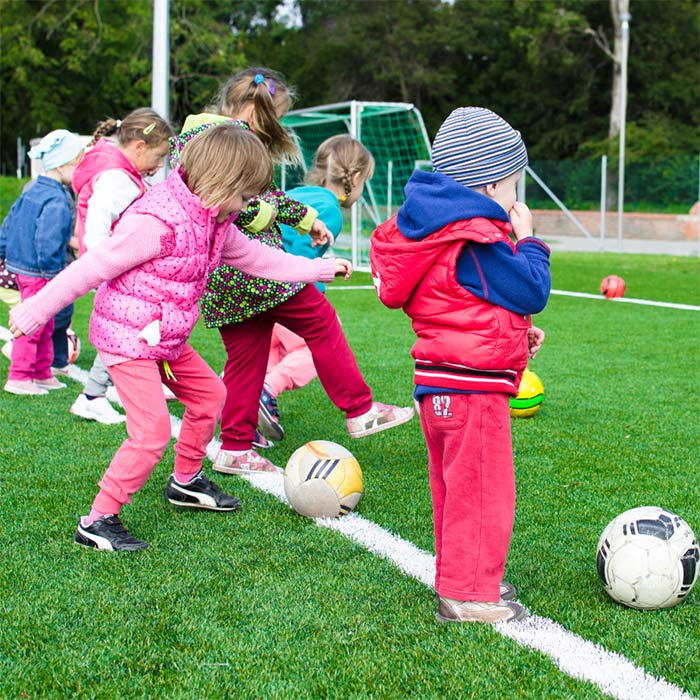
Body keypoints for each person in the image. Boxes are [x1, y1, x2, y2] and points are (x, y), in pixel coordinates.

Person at [8, 123, 352, 551]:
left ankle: (186, 481)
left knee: (211, 396)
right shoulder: (156, 221)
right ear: (221, 182)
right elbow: (92, 267)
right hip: (128, 338)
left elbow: (258, 258)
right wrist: (35, 310)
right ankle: (97, 520)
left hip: (165, 338)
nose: (249, 206)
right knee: (151, 432)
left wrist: (318, 269)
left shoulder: (215, 220)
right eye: (246, 197)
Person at [171, 67, 414, 474]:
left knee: (246, 360)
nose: (276, 126)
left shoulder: (201, 134)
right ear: (252, 108)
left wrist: (306, 220)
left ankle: (234, 447)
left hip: (223, 279)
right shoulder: (224, 140)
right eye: (275, 117)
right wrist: (270, 217)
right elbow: (235, 202)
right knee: (321, 322)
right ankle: (359, 409)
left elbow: (265, 194)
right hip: (254, 269)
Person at [370, 107, 551, 624]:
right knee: (482, 491)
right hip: (471, 392)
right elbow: (531, 287)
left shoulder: (438, 232)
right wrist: (529, 239)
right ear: (492, 183)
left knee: (456, 490)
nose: (517, 196)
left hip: (442, 384)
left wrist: (516, 337)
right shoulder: (475, 238)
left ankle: (462, 575)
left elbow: (463, 305)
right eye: (515, 183)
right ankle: (468, 594)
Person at [258, 134, 375, 443]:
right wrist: (321, 272)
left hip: (256, 289)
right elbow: (300, 255)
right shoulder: (330, 211)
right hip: (285, 291)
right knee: (314, 347)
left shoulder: (298, 193)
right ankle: (267, 390)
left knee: (266, 353)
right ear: (355, 178)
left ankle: (236, 397)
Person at [69, 108, 174, 424]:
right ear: (139, 147)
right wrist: (109, 267)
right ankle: (92, 395)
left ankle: (103, 390)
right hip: (115, 270)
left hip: (118, 268)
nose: (159, 167)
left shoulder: (122, 172)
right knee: (125, 330)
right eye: (158, 157)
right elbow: (98, 228)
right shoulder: (118, 179)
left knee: (133, 327)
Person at [0, 129, 84, 395]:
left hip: (25, 267)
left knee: (46, 322)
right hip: (41, 272)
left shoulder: (32, 189)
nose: (81, 171)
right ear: (63, 165)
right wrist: (53, 274)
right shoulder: (58, 199)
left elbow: (7, 225)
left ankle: (41, 372)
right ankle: (20, 376)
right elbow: (48, 240)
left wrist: (4, 254)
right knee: (34, 323)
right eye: (78, 164)